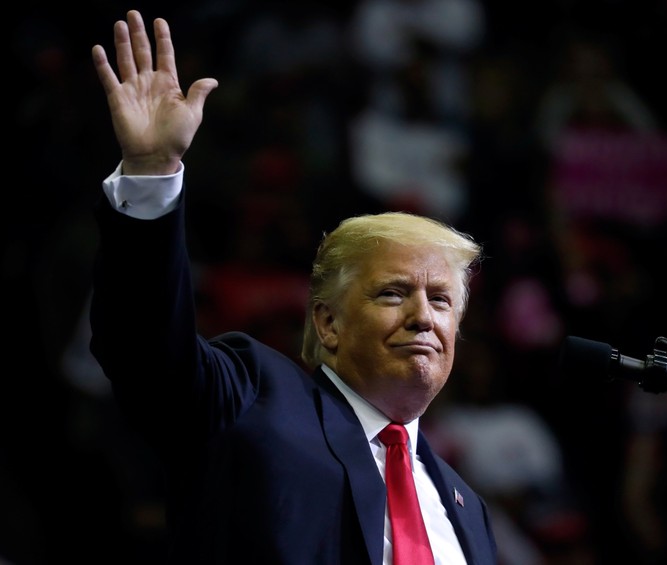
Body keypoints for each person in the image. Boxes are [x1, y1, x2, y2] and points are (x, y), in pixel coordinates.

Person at [89, 9, 497, 565]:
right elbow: (145, 348)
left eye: (441, 299)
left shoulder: (465, 506)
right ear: (327, 322)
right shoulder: (252, 398)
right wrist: (151, 172)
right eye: (394, 293)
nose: (424, 316)